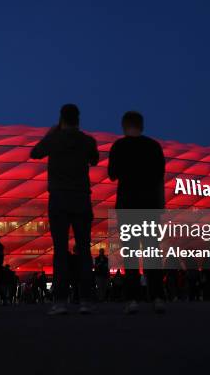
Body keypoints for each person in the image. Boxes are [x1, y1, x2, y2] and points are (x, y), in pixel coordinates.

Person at [30, 103, 99, 315]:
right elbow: (95, 161)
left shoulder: (54, 139)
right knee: (84, 250)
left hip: (59, 198)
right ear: (78, 120)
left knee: (60, 251)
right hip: (81, 198)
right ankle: (86, 300)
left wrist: (52, 132)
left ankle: (60, 302)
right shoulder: (87, 141)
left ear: (61, 119)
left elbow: (35, 153)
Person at [107, 111, 166, 314]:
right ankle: (158, 297)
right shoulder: (153, 146)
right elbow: (160, 176)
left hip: (127, 205)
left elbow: (112, 175)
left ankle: (132, 300)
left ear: (124, 126)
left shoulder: (119, 146)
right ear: (142, 125)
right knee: (152, 252)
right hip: (150, 206)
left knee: (131, 254)